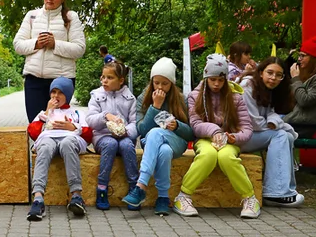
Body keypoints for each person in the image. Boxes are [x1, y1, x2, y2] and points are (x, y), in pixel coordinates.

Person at [175, 54, 258, 219]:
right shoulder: (195, 96)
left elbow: (247, 128)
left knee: (227, 157)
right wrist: (214, 132)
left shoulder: (235, 97)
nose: (217, 84)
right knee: (208, 155)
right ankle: (183, 196)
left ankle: (249, 198)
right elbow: (196, 124)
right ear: (206, 77)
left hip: (229, 138)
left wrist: (235, 137)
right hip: (205, 139)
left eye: (221, 80)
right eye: (212, 79)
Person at [124, 57, 194, 215]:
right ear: (151, 82)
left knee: (157, 133)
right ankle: (163, 197)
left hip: (177, 142)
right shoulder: (143, 98)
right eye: (156, 83)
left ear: (172, 83)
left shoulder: (181, 99)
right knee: (164, 151)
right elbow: (142, 129)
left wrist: (177, 126)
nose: (160, 87)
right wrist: (155, 106)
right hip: (151, 143)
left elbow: (191, 133)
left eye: (165, 83)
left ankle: (141, 186)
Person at [13, 0, 87, 122]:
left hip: (61, 81)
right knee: (36, 124)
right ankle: (40, 146)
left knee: (57, 124)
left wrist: (55, 44)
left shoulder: (71, 17)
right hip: (34, 80)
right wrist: (36, 43)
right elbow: (17, 45)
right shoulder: (32, 16)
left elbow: (79, 49)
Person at [26, 77, 92, 221]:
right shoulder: (44, 113)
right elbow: (33, 133)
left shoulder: (77, 113)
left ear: (67, 95)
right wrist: (47, 112)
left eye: (60, 93)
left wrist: (73, 127)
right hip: (48, 138)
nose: (56, 96)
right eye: (53, 92)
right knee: (44, 147)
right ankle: (38, 198)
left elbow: (88, 135)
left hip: (69, 138)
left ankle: (76, 196)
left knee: (67, 144)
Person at [240, 57, 302, 206]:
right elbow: (254, 123)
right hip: (237, 135)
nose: (273, 78)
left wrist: (275, 122)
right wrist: (282, 126)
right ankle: (276, 193)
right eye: (270, 72)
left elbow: (271, 114)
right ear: (261, 72)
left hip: (251, 134)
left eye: (278, 75)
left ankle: (282, 190)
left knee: (285, 135)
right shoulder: (247, 86)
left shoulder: (269, 90)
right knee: (282, 135)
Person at [86, 60, 139, 211]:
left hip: (124, 136)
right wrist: (105, 116)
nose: (104, 81)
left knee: (127, 145)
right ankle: (102, 188)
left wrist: (126, 131)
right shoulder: (96, 96)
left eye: (109, 78)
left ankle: (134, 188)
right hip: (102, 136)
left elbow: (135, 123)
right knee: (110, 144)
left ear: (121, 80)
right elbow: (90, 120)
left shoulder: (130, 98)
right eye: (103, 77)